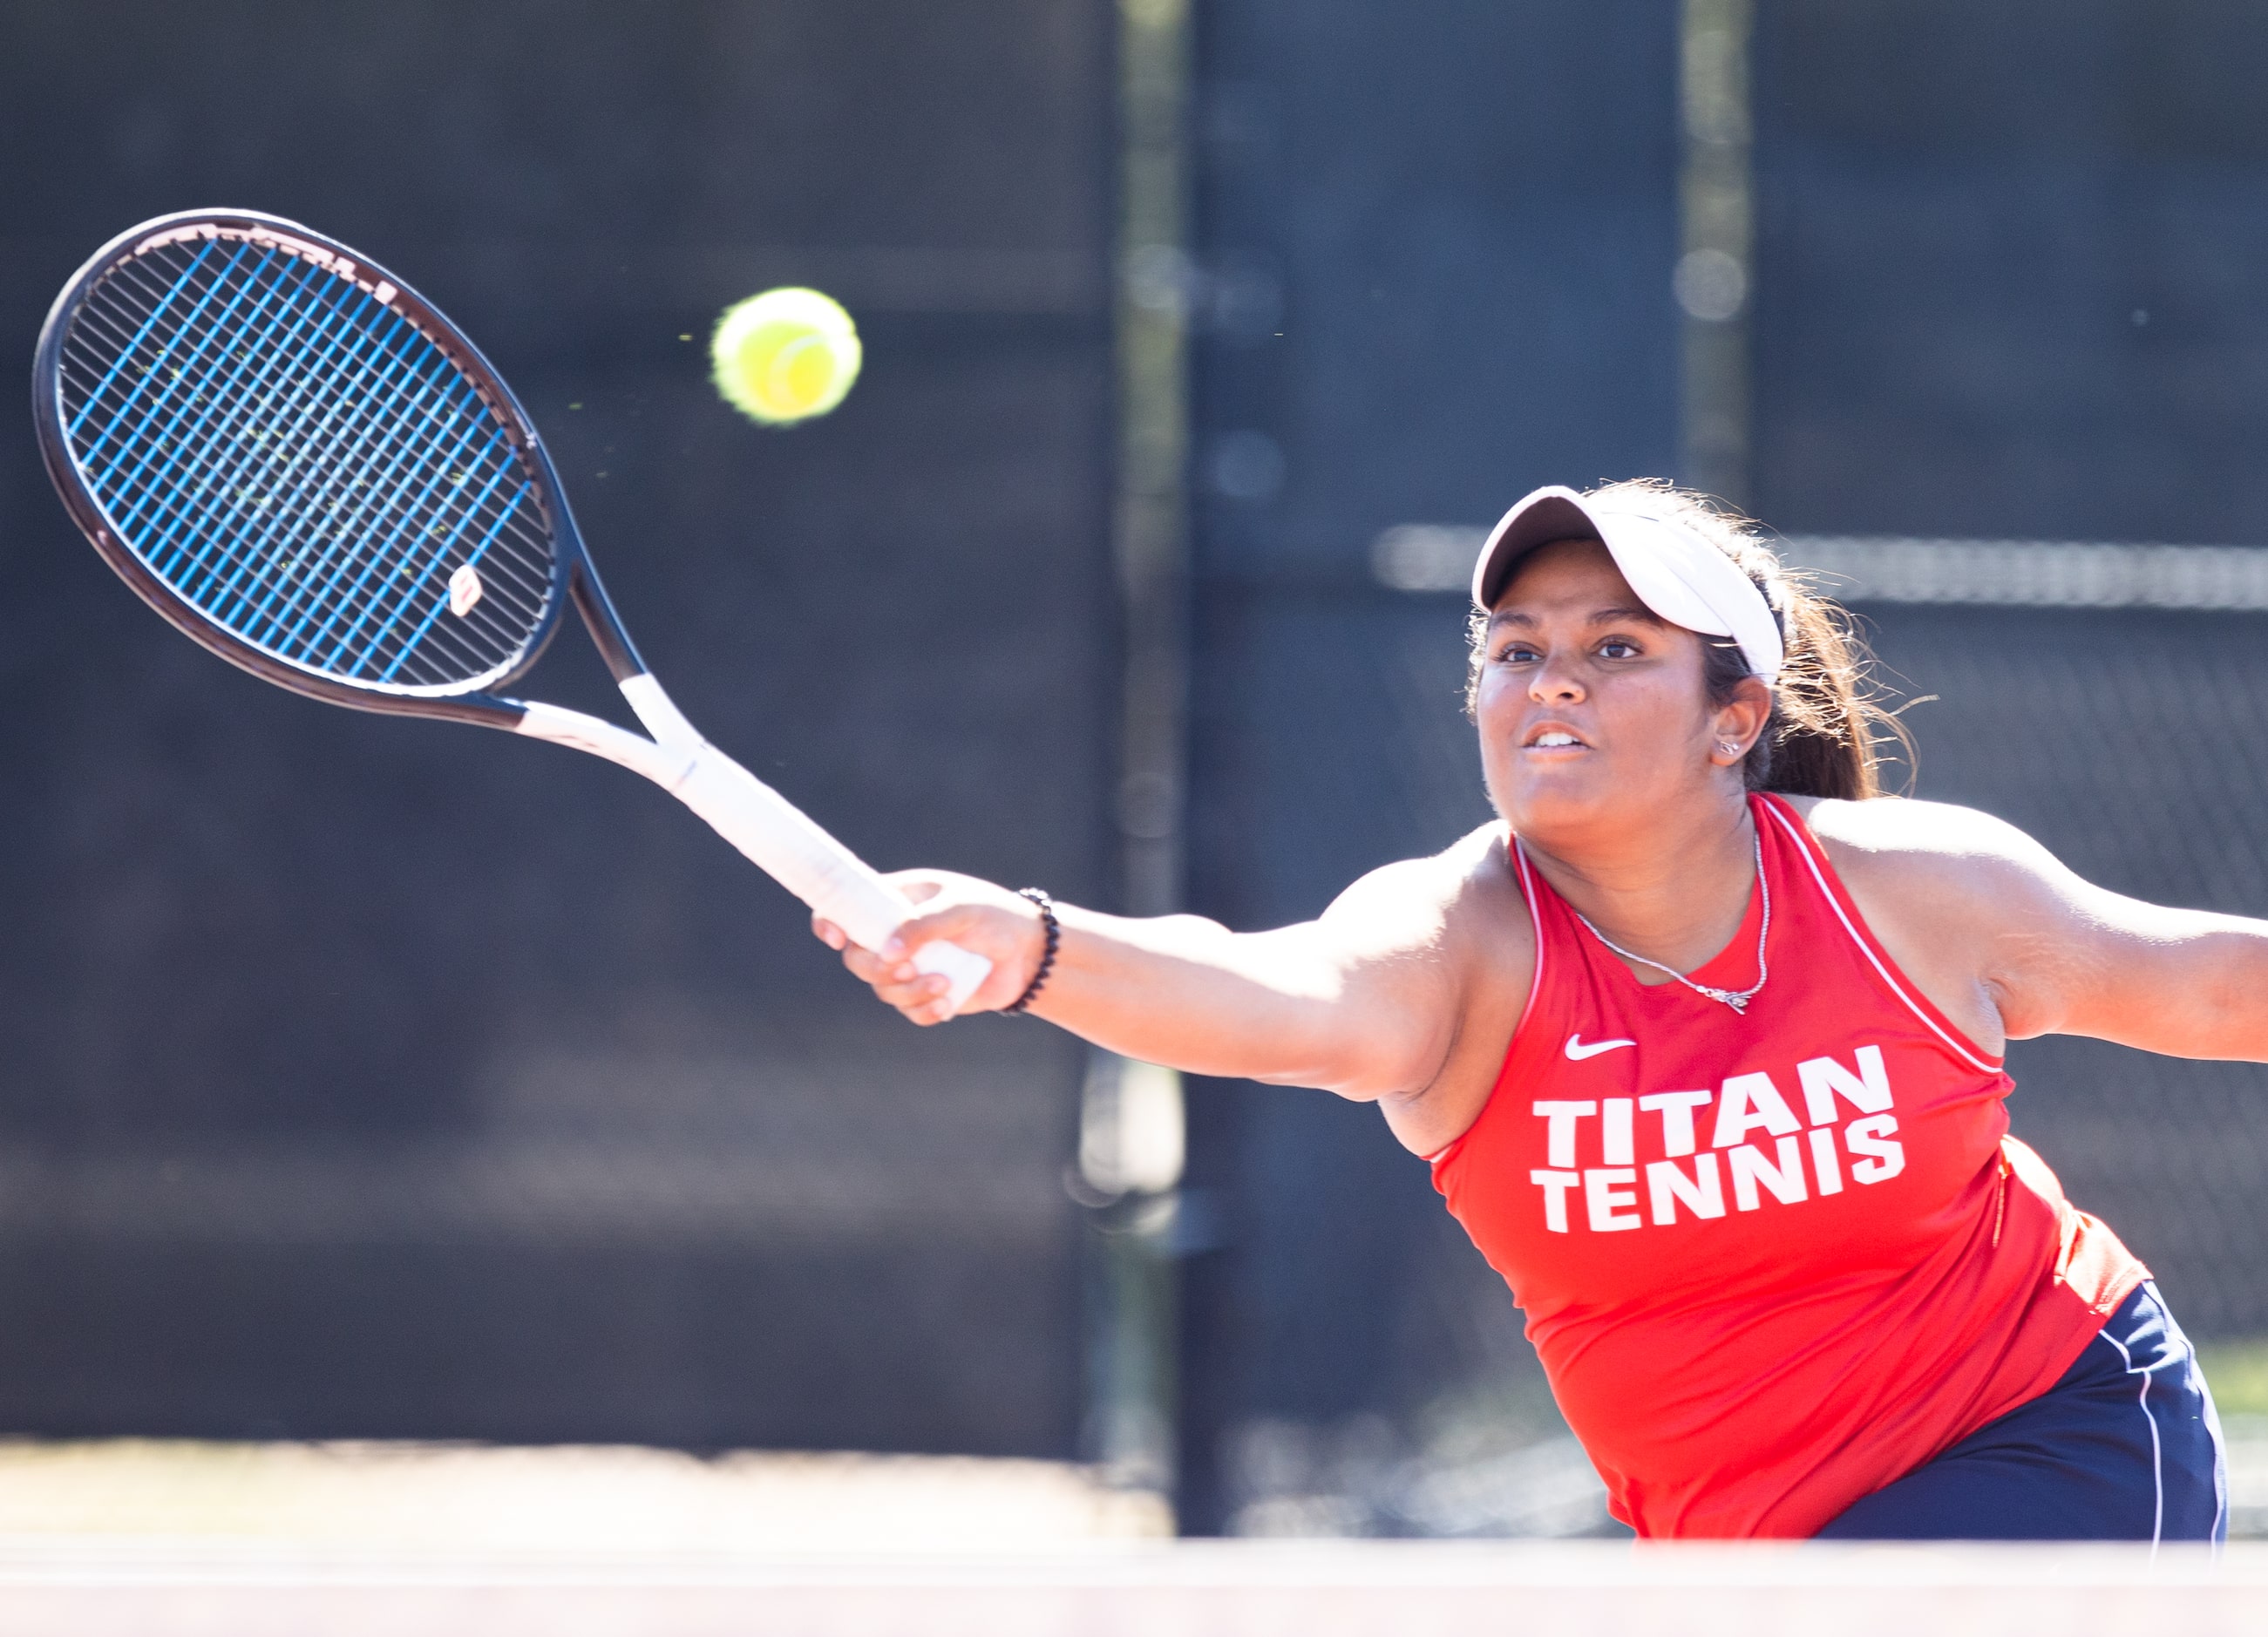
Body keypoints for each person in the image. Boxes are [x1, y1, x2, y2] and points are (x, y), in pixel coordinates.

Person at [812, 479, 2245, 1543]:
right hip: (1747, 1540)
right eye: (1514, 646)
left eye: (1617, 646)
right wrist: (1035, 943)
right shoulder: (1457, 939)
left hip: (2054, 1430)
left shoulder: (1910, 891)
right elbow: (1281, 991)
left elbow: (2201, 980)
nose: (1549, 674)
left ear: (1732, 717)